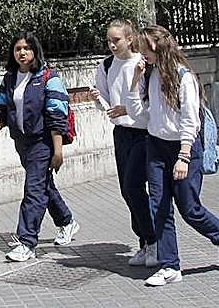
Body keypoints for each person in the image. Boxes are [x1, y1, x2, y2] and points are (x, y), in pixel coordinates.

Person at [133, 25, 219, 287]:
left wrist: (184, 156)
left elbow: (191, 120)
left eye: (145, 47)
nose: (141, 53)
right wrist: (136, 80)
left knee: (189, 208)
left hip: (183, 148)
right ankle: (170, 266)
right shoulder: (149, 74)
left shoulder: (183, 77)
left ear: (158, 47)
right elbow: (142, 112)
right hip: (156, 147)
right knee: (159, 206)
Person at [0, 31, 79, 262]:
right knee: (43, 185)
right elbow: (1, 112)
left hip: (42, 143)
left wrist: (58, 152)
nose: (22, 53)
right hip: (22, 143)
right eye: (17, 49)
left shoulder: (49, 78)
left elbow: (57, 117)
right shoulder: (10, 79)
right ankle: (67, 221)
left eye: (27, 48)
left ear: (35, 50)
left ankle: (27, 242)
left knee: (33, 190)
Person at [89, 18, 157, 267]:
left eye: (116, 40)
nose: (112, 45)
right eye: (109, 40)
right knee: (127, 191)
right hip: (122, 133)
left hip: (144, 133)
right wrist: (99, 99)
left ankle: (154, 240)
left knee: (133, 187)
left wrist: (127, 110)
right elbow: (107, 102)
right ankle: (145, 241)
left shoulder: (142, 64)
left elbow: (151, 102)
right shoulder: (106, 66)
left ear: (130, 39)